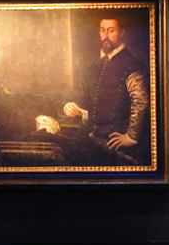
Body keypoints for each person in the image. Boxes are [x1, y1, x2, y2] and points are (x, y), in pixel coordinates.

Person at [62, 16, 150, 164]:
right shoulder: (95, 66)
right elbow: (92, 101)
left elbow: (141, 101)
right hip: (94, 140)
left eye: (111, 30)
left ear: (122, 32)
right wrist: (75, 108)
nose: (106, 36)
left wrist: (131, 137)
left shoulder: (132, 65)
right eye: (102, 30)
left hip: (117, 146)